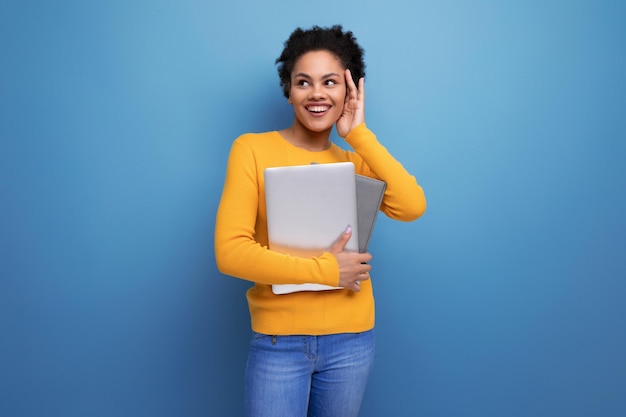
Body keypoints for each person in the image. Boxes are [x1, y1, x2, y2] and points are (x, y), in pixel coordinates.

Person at [214, 25, 426, 417]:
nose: (316, 93)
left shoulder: (354, 160)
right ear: (289, 90)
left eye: (330, 82)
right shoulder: (252, 150)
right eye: (303, 82)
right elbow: (230, 253)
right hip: (280, 342)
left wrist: (359, 135)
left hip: (351, 340)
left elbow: (411, 206)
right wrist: (328, 270)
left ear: (349, 91)